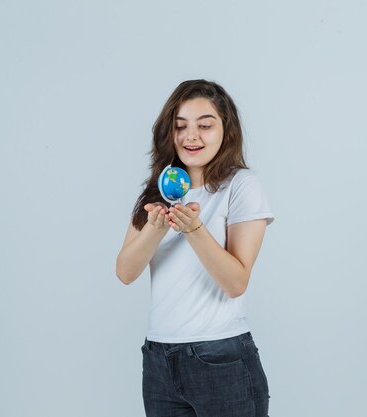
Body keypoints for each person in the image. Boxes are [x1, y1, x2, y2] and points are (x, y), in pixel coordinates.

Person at [116, 79, 274, 417]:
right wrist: (155, 231)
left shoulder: (241, 186)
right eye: (180, 126)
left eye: (205, 125)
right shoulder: (158, 189)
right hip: (159, 358)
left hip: (221, 358)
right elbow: (125, 272)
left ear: (225, 130)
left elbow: (236, 282)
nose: (192, 136)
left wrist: (195, 229)